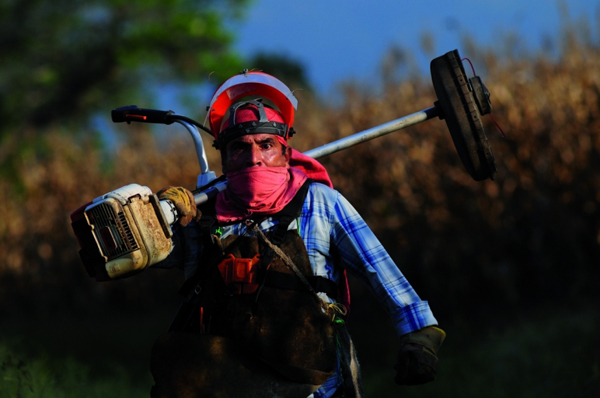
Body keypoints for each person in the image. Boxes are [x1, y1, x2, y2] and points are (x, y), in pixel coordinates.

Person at [149, 71, 445, 398]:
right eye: (239, 148)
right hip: (229, 380)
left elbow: (379, 269)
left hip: (316, 382)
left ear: (286, 153)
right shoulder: (206, 214)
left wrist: (419, 333)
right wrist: (161, 219)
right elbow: (148, 258)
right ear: (225, 158)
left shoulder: (321, 203)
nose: (254, 157)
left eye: (266, 145)